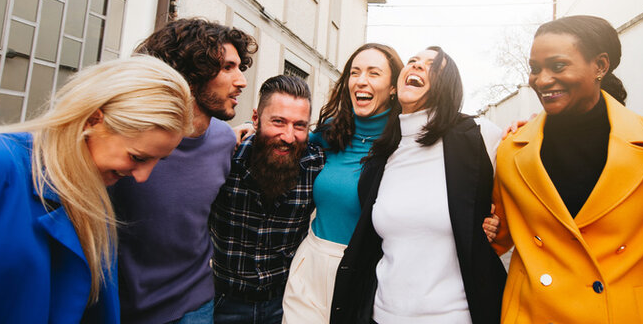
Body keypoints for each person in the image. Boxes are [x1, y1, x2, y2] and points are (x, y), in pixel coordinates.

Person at [0, 56, 193, 323]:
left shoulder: (92, 194)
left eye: (157, 160)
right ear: (93, 119)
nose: (142, 177)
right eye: (138, 157)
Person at [490, 15, 643, 323]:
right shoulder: (513, 149)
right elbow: (498, 237)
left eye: (557, 66)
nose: (541, 80)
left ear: (600, 66)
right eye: (535, 68)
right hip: (535, 313)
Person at [330, 46, 506, 323]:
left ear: (448, 85)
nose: (417, 66)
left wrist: (496, 223)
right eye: (412, 61)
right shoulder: (382, 154)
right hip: (381, 316)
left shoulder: (480, 136)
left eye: (433, 66)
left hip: (453, 316)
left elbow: (527, 172)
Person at [109, 18, 256, 324]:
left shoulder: (225, 140)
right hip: (118, 306)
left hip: (194, 305)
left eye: (240, 67)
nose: (241, 80)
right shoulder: (126, 138)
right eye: (227, 67)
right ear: (190, 74)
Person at [281, 43, 403, 323]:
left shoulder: (402, 141)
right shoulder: (333, 130)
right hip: (310, 263)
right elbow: (285, 142)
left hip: (363, 273)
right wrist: (249, 133)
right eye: (355, 72)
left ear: (393, 86)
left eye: (374, 73)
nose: (361, 80)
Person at [209, 75, 325, 323]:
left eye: (299, 125)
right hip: (223, 302)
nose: (288, 136)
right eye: (278, 122)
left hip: (286, 303)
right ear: (255, 119)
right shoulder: (224, 157)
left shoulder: (317, 167)